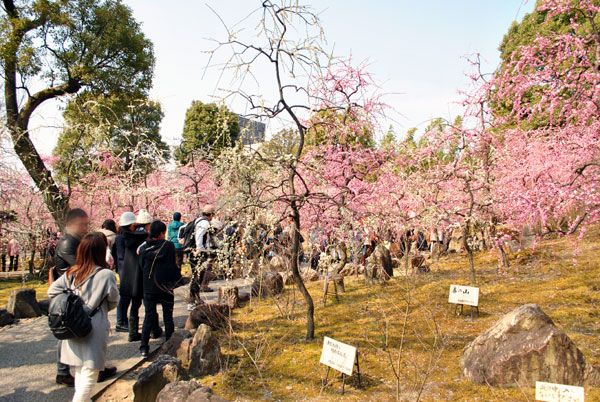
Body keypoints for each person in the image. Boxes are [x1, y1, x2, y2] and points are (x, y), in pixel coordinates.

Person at [48, 233, 119, 402]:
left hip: (73, 326)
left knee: (80, 372)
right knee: (89, 377)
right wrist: (95, 307)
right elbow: (114, 300)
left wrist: (74, 303)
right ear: (101, 252)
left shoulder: (72, 272)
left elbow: (52, 291)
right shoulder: (106, 275)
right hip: (93, 327)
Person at [138, 221, 181, 357]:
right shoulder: (168, 246)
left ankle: (144, 347)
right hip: (165, 286)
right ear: (162, 233)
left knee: (148, 316)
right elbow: (172, 265)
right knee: (168, 316)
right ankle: (169, 345)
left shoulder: (144, 249)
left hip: (149, 286)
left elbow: (141, 266)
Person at [114, 211, 148, 341]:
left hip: (125, 271)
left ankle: (126, 325)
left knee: (130, 300)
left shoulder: (123, 237)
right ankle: (122, 322)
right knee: (131, 300)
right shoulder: (132, 237)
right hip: (131, 271)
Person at [188, 204, 216, 309]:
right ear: (211, 214)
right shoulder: (204, 223)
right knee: (197, 277)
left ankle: (197, 298)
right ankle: (191, 301)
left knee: (198, 276)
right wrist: (200, 250)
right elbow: (199, 237)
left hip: (196, 252)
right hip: (198, 253)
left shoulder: (198, 220)